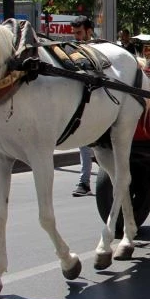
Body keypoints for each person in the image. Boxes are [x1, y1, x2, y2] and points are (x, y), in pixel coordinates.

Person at [70, 16, 96, 197]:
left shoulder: (99, 49)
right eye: (75, 33)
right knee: (84, 145)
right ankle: (84, 183)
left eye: (80, 33)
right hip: (83, 105)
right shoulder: (73, 50)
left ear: (89, 31)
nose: (77, 37)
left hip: (101, 103)